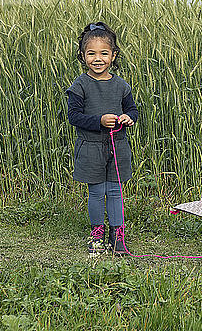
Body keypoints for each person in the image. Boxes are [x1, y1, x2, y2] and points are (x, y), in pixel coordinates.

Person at [65, 22, 139, 256]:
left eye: (104, 53)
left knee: (116, 192)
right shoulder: (80, 85)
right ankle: (97, 233)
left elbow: (134, 111)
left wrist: (128, 118)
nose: (98, 59)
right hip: (91, 148)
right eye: (91, 53)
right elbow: (73, 116)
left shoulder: (121, 85)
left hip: (118, 147)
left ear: (113, 55)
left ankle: (118, 236)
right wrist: (99, 121)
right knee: (97, 192)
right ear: (83, 56)